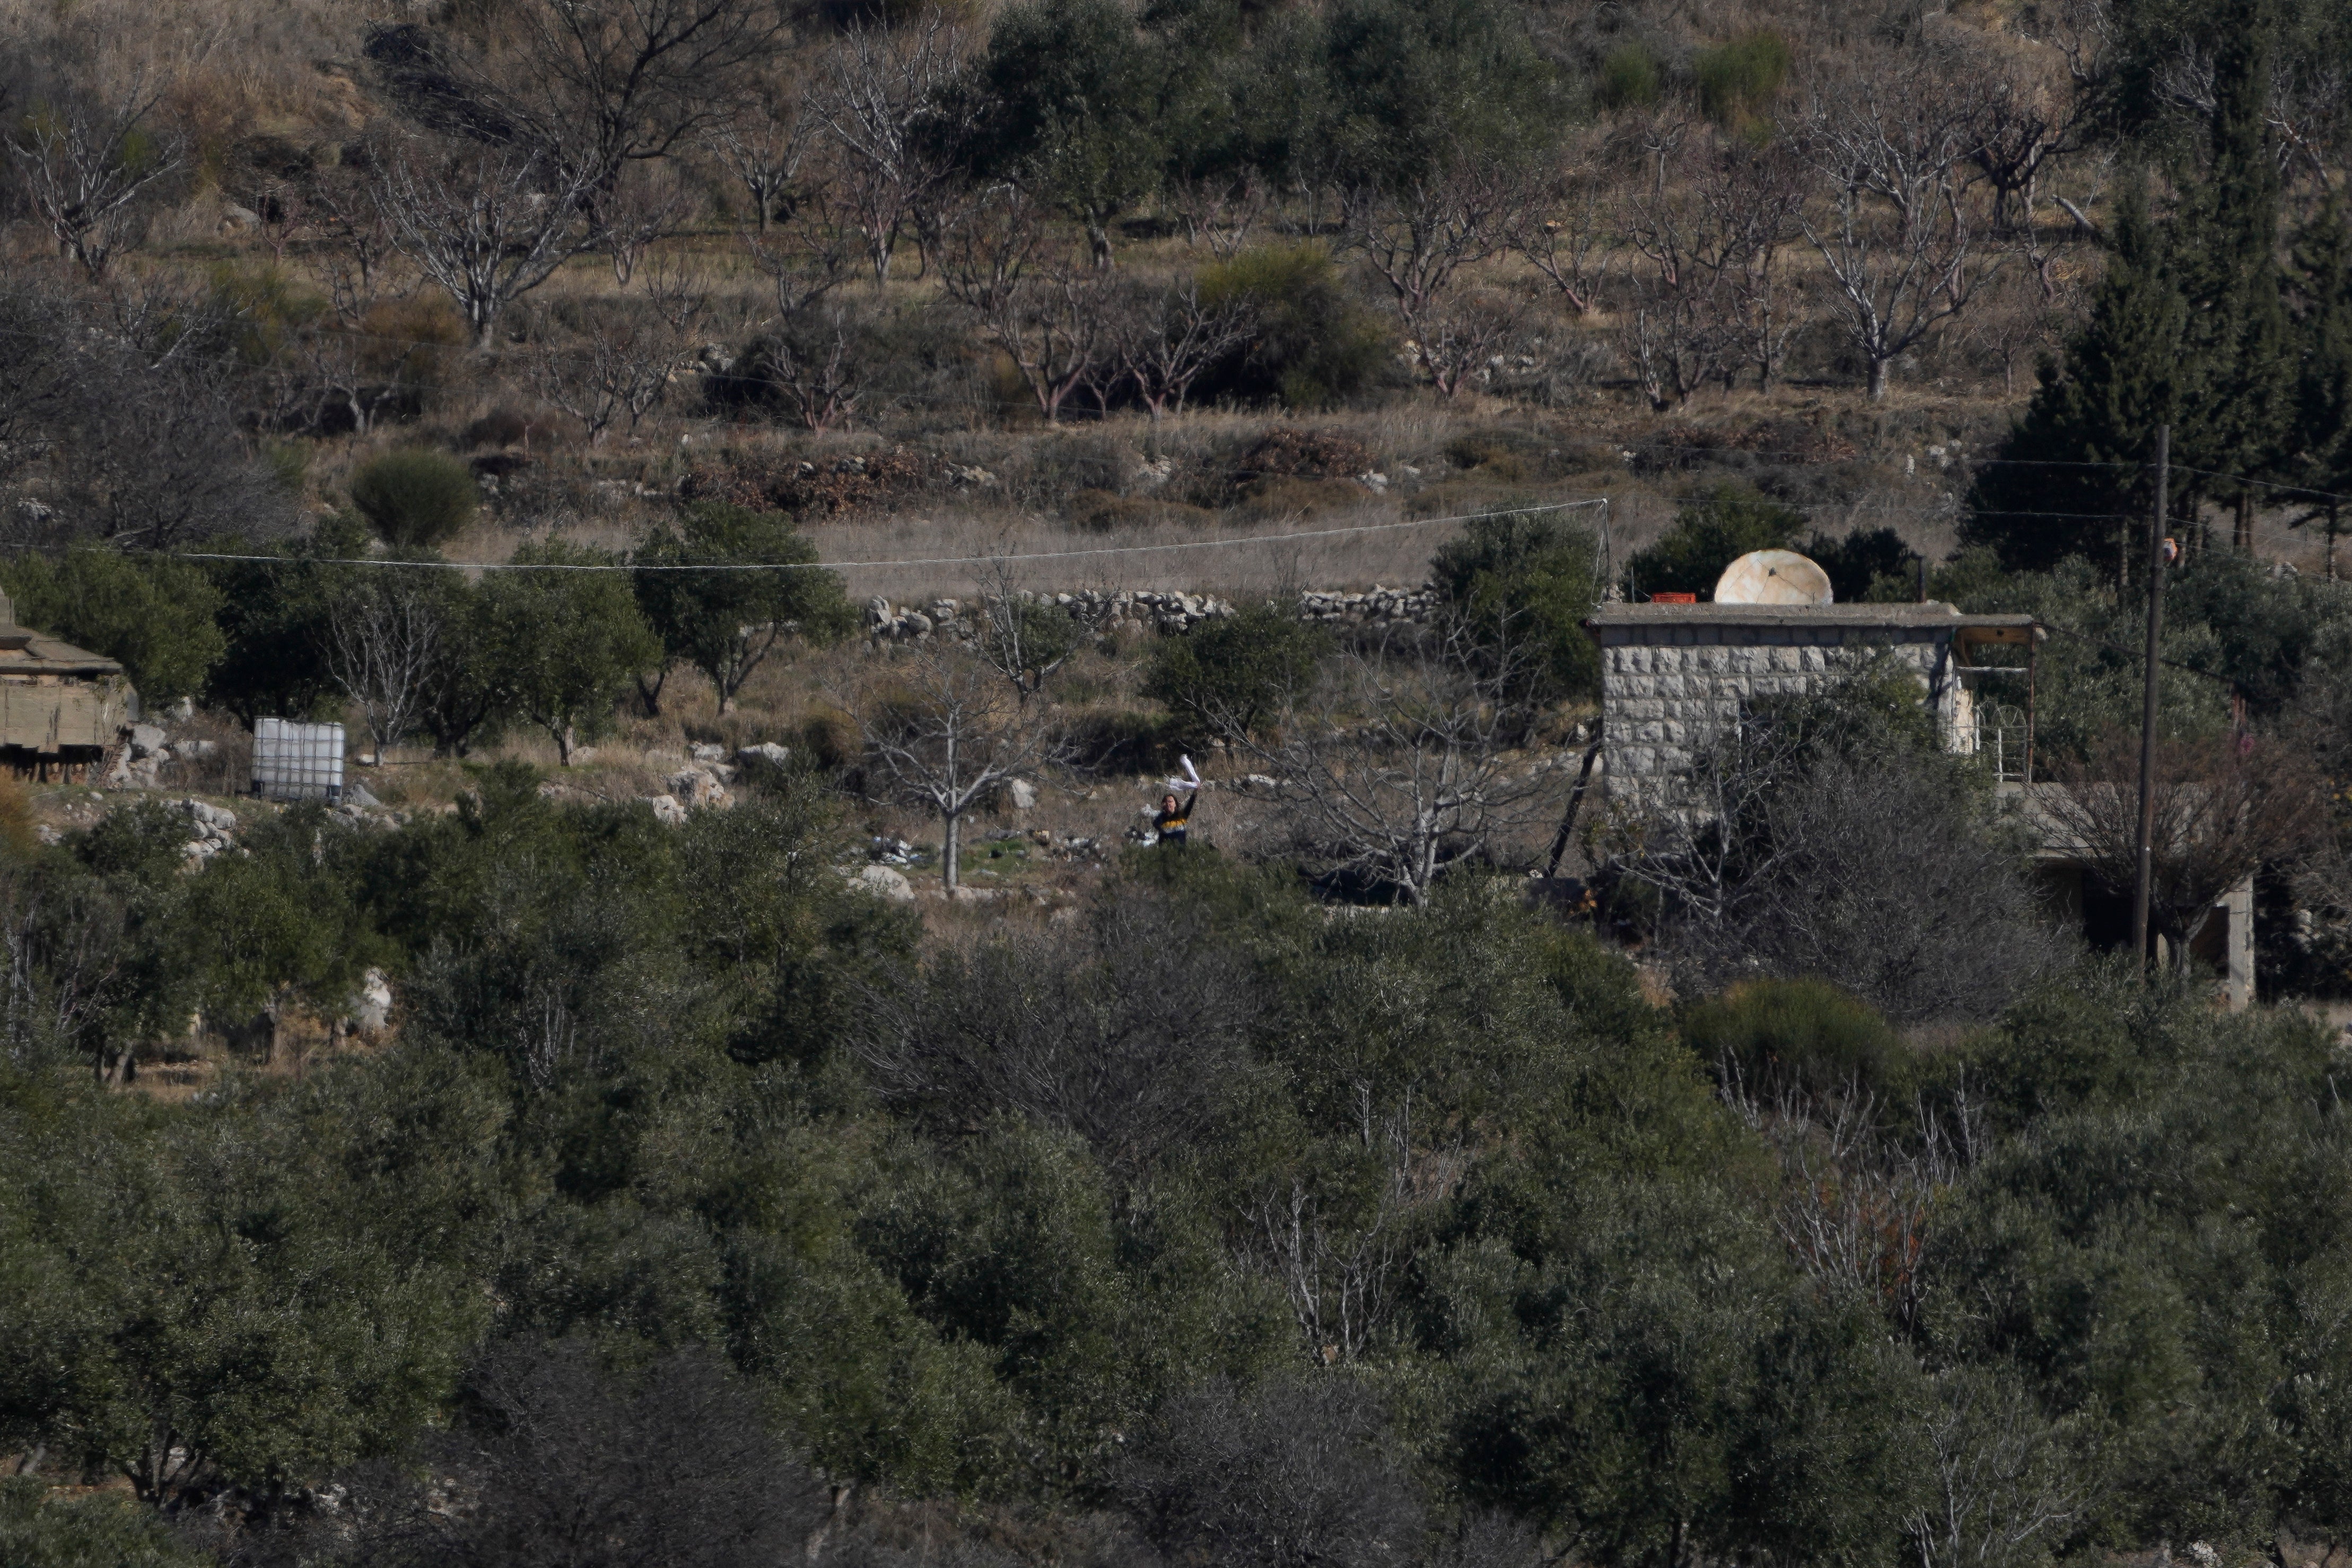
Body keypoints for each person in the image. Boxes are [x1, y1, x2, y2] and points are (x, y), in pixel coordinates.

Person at [1154, 755, 1201, 847]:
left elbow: (1190, 804)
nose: (1169, 804)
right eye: (1167, 802)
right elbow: (1156, 824)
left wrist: (1195, 790)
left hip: (1180, 855)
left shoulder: (1182, 816)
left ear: (1176, 804)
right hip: (1166, 855)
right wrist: (1164, 811)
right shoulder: (1162, 818)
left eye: (1171, 801)